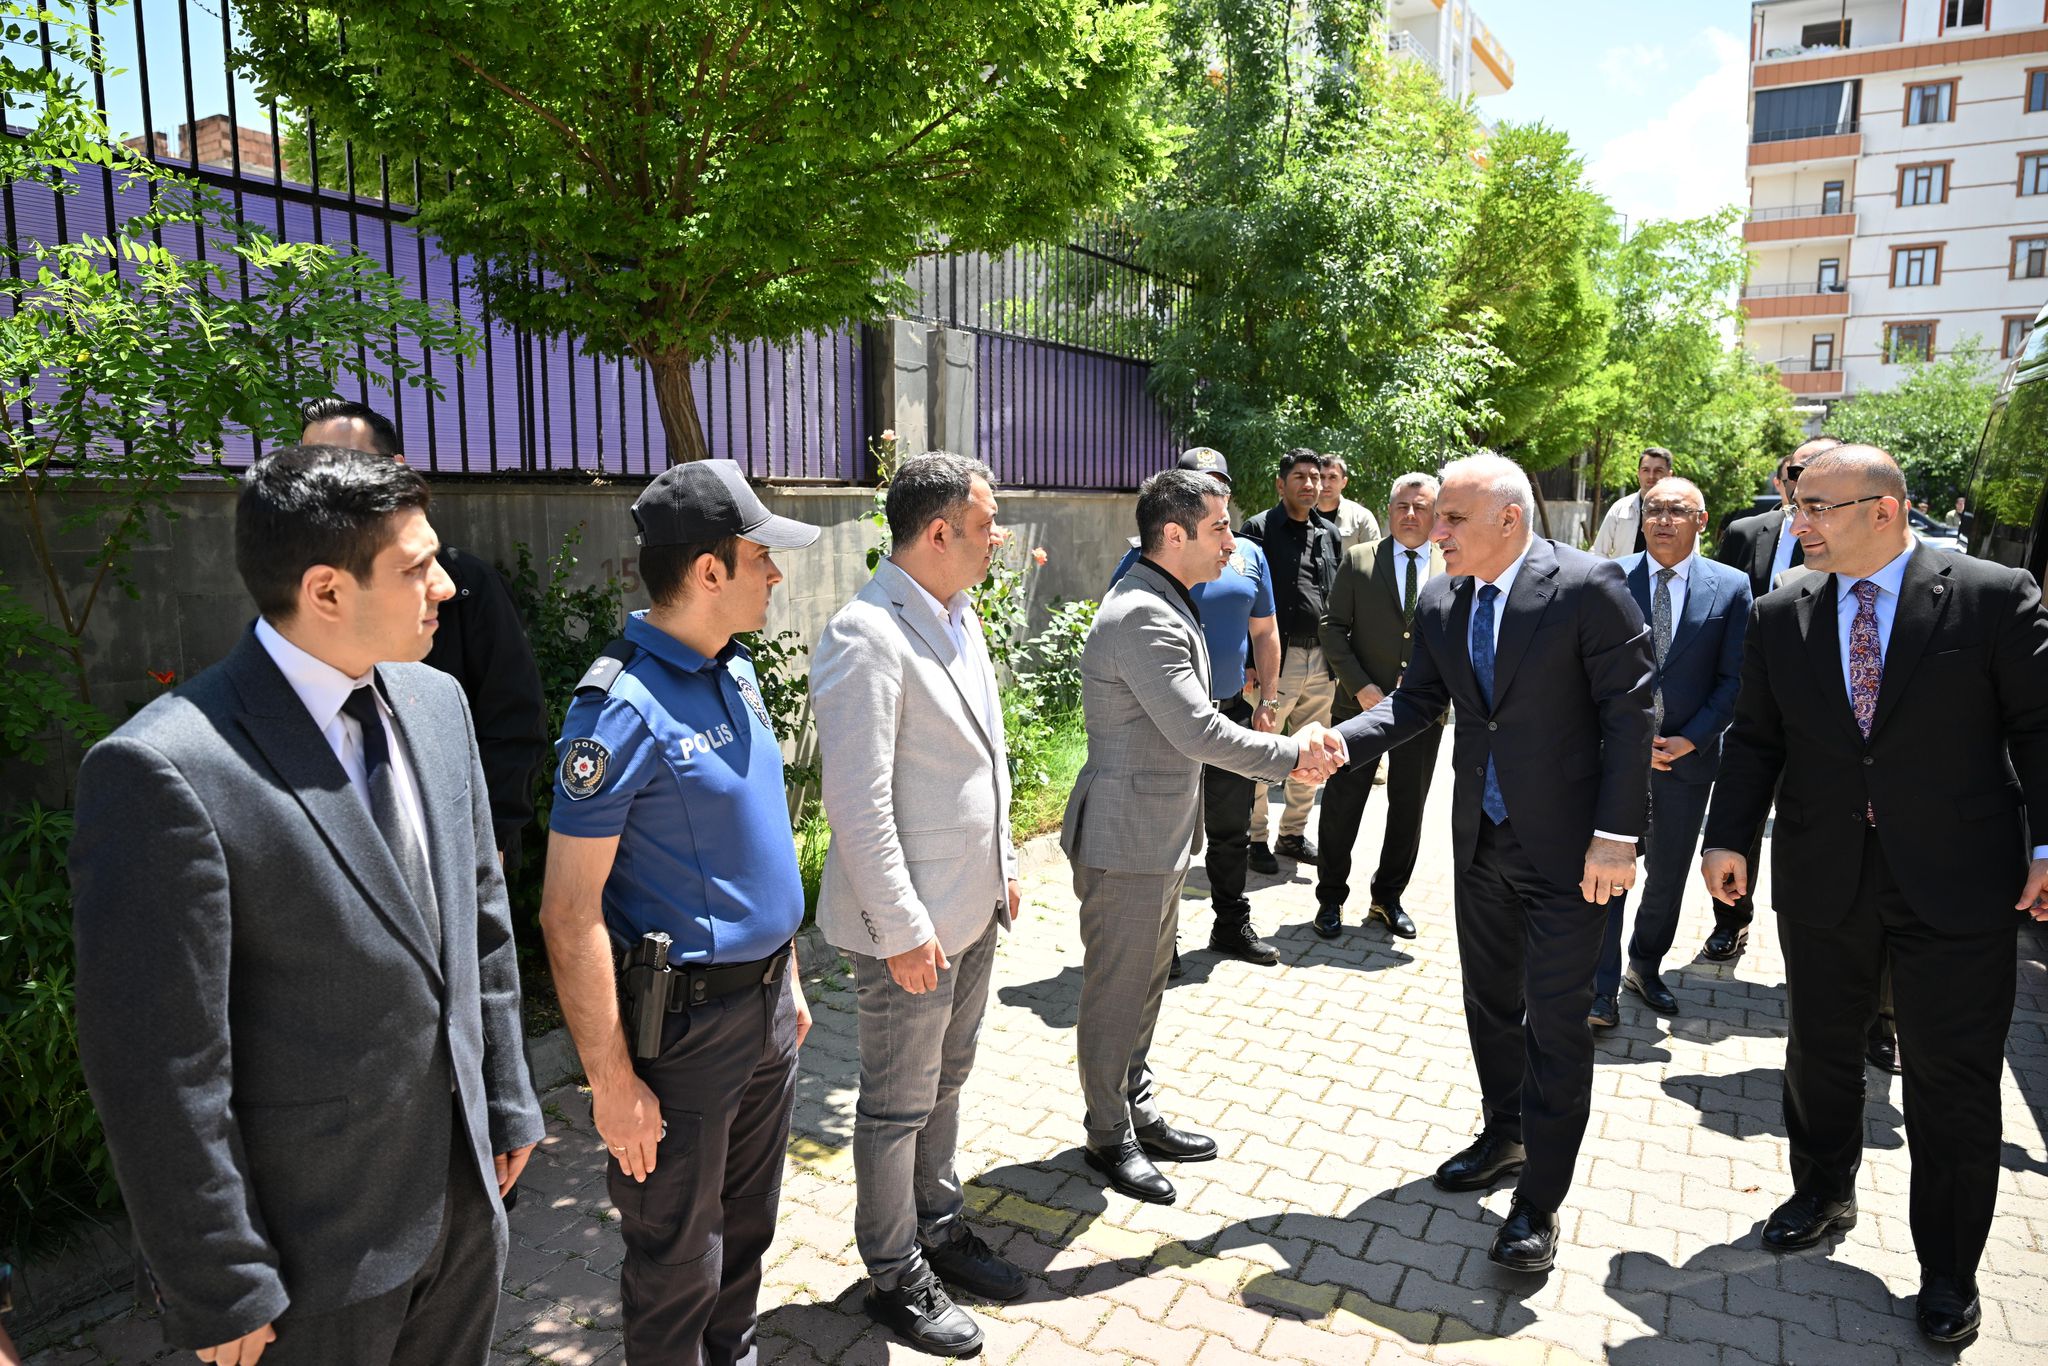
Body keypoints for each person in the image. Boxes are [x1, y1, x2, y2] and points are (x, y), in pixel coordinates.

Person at [70, 446, 545, 1366]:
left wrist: (508, 1101)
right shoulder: (167, 769)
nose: (446, 587)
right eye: (416, 567)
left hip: (462, 1210)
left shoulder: (438, 703)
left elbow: (481, 921)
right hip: (310, 1261)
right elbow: (158, 1065)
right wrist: (219, 1279)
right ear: (326, 590)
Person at [1699, 444, 2048, 1346]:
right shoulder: (1780, 612)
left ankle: (1950, 1270)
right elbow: (1757, 738)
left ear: (1884, 510)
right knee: (1819, 1054)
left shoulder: (1992, 596)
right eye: (1796, 505)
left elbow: (2040, 728)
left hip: (1959, 880)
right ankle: (1822, 1193)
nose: (1798, 523)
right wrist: (1727, 836)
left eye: (1816, 506)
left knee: (1952, 1082)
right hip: (1825, 875)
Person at [1334, 452, 1654, 1273]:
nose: (1433, 531)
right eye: (1435, 516)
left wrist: (1616, 838)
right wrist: (1337, 744)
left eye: (1451, 519)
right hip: (1481, 841)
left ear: (1508, 519)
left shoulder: (1587, 587)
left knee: (1557, 1023)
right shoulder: (1443, 597)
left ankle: (1538, 1202)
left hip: (1572, 853)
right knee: (1488, 1003)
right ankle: (1504, 1136)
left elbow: (1631, 715)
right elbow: (1417, 702)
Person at [537, 460, 819, 1365]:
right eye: (760, 557)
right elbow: (568, 912)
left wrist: (788, 972)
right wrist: (612, 1084)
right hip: (689, 1034)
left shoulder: (732, 668)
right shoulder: (618, 708)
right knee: (676, 1259)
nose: (775, 574)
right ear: (708, 571)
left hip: (766, 1008)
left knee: (748, 1229)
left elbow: (754, 838)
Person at [1063, 468, 1347, 1206]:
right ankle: (1107, 1133)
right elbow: (1197, 730)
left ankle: (1135, 1105)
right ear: (1174, 534)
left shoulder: (1163, 598)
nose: (1233, 542)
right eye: (1220, 527)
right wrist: (1292, 753)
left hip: (1154, 832)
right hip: (1126, 838)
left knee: (1147, 983)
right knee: (1118, 990)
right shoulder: (1142, 615)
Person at [809, 453, 1023, 1356]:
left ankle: (937, 1224)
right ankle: (893, 1271)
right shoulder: (867, 634)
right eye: (985, 524)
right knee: (897, 1104)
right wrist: (899, 929)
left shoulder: (956, 613)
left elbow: (988, 755)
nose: (997, 537)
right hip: (911, 929)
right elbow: (857, 805)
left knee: (948, 1079)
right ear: (937, 532)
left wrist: (1004, 859)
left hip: (969, 909)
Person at [301, 397, 549, 873]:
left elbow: (515, 719)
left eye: (347, 464)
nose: (329, 482)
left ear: (398, 471)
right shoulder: (304, 593)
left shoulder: (464, 587)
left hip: (453, 851)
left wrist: (490, 836)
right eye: (312, 466)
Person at [1585, 478, 1751, 1028]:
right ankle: (1600, 987)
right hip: (1615, 759)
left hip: (1687, 761)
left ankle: (1644, 966)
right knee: (1609, 866)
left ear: (1701, 520)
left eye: (1676, 510)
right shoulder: (1608, 577)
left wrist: (1691, 739)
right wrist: (1626, 742)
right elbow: (1586, 671)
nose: (1661, 519)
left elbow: (1733, 680)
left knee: (1667, 876)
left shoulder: (1732, 587)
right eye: (1653, 509)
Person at [1110, 447, 1285, 967]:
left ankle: (1230, 924)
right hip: (1168, 720)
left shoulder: (1246, 554)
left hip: (1230, 710)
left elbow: (1265, 630)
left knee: (1231, 830)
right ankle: (1162, 941)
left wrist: (1268, 699)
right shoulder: (1146, 557)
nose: (1213, 489)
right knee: (1171, 834)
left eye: (1219, 483)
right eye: (1199, 481)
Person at [1704, 433, 1842, 964]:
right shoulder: (1745, 532)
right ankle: (1730, 920)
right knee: (1743, 809)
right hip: (1750, 697)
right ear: (1782, 481)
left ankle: (1818, 941)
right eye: (1795, 473)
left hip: (1821, 714)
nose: (1800, 483)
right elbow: (1718, 610)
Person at [1314, 473, 1448, 941]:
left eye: (1421, 506)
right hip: (1359, 709)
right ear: (1388, 511)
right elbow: (1332, 628)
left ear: (1435, 513)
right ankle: (1330, 898)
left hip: (1423, 713)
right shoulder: (1360, 559)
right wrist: (1362, 688)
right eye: (1402, 506)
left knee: (1408, 808)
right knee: (1342, 804)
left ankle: (1387, 898)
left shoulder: (1452, 563)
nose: (1410, 514)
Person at [1238, 448, 1343, 871]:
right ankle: (1254, 838)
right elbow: (1245, 597)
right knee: (1263, 748)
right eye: (1300, 476)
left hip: (1321, 660)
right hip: (1275, 661)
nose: (1310, 484)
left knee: (1313, 751)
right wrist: (1250, 660)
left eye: (1316, 477)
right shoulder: (1258, 529)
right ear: (1281, 484)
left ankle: (1293, 834)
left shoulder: (1329, 533)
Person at [1590, 446, 1673, 559]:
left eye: (1658, 471)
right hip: (1624, 571)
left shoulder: (1680, 512)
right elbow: (1598, 552)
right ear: (1638, 473)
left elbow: (1692, 555)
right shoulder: (1620, 508)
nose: (1651, 476)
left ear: (1669, 475)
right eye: (1645, 470)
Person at [1316, 452, 1382, 552]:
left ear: (1344, 482)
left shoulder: (1361, 518)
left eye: (1333, 477)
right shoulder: (1303, 516)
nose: (1326, 484)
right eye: (1321, 477)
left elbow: (1374, 558)